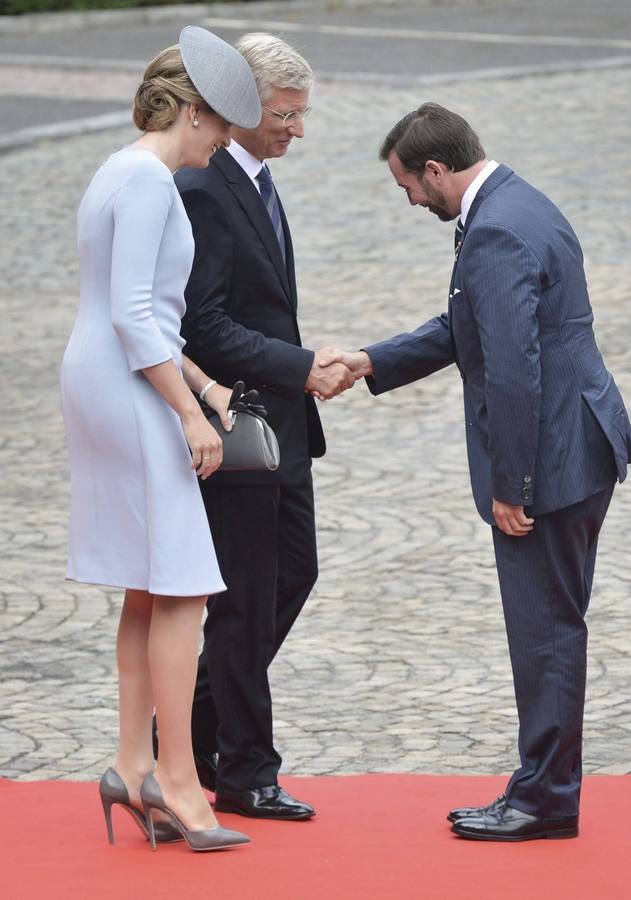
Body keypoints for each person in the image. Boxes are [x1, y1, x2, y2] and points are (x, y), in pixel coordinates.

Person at [320, 103, 631, 841]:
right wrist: (371, 360)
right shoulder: (517, 200)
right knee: (552, 625)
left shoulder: (494, 229)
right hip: (576, 441)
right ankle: (541, 786)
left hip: (552, 457)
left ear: (435, 170)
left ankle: (544, 799)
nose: (408, 201)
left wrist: (512, 484)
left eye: (407, 185)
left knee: (545, 631)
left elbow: (512, 371)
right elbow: (471, 326)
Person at [60, 26, 263, 852]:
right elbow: (133, 313)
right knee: (181, 584)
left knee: (150, 584)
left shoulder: (121, 169)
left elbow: (139, 311)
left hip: (108, 377)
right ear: (187, 111)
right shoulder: (149, 183)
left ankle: (131, 766)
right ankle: (176, 779)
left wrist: (207, 389)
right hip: (127, 384)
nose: (222, 141)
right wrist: (187, 413)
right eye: (217, 124)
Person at [168, 32, 352, 821]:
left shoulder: (258, 181)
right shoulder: (206, 189)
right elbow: (200, 324)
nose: (296, 129)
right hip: (238, 422)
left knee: (292, 574)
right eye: (285, 114)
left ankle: (179, 723)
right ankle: (243, 770)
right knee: (244, 598)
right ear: (240, 108)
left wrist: (297, 370)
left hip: (284, 424)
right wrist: (296, 364)